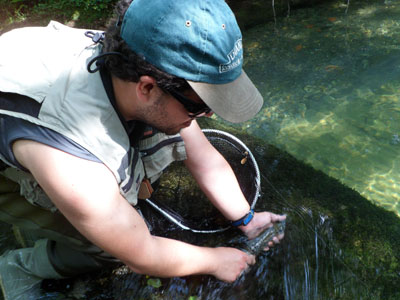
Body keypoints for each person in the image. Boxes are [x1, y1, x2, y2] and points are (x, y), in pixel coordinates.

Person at [0, 0, 286, 299]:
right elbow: (139, 253)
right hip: (19, 144)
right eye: (200, 105)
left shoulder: (142, 57)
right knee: (105, 247)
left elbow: (204, 159)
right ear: (147, 88)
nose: (209, 115)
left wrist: (247, 220)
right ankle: (20, 267)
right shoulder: (71, 160)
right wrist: (215, 260)